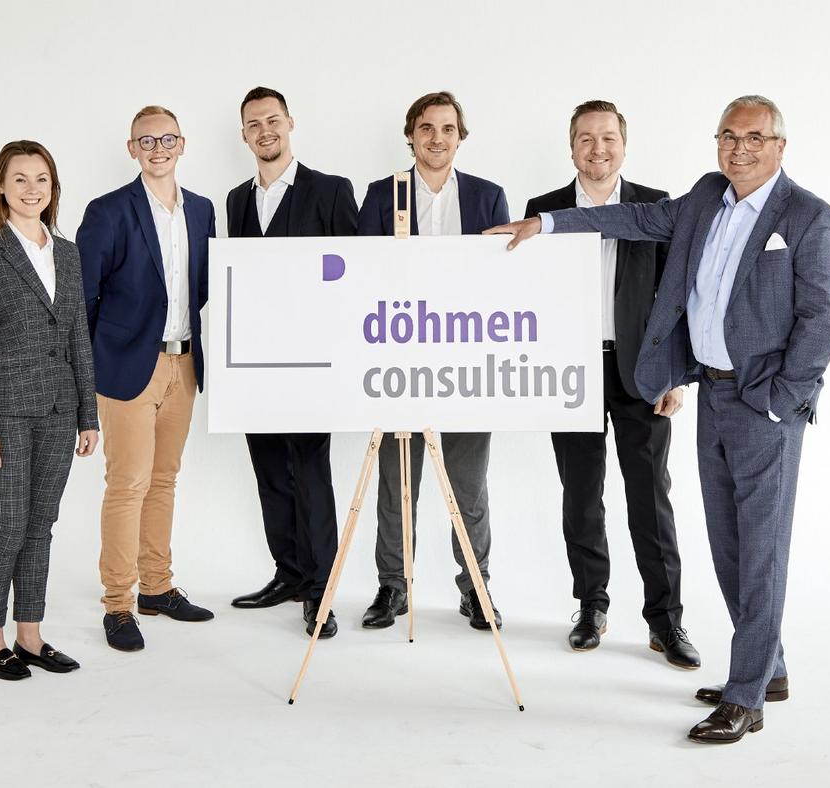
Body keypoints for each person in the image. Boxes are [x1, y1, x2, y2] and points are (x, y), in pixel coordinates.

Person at [487, 95, 830, 743]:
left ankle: (745, 697)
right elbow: (634, 216)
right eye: (728, 136)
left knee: (761, 550)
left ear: (779, 146)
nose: (739, 148)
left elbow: (822, 318)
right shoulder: (706, 197)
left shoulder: (807, 216)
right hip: (713, 395)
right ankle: (770, 670)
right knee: (729, 544)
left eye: (754, 138)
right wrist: (547, 223)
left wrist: (781, 399)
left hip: (763, 406)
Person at [524, 101, 699, 669]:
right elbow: (527, 298)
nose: (597, 149)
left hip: (641, 372)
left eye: (607, 138)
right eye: (585, 138)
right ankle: (591, 606)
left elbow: (676, 296)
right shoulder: (543, 210)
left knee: (650, 497)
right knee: (580, 496)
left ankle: (665, 620)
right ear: (571, 146)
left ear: (624, 143)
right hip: (567, 372)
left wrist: (676, 375)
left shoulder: (655, 205)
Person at [358, 91, 510, 631]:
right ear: (411, 136)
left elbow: (502, 281)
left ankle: (476, 587)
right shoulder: (384, 194)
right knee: (397, 481)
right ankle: (393, 586)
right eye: (426, 128)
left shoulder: (488, 196)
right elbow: (364, 274)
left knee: (469, 485)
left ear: (460, 137)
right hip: (399, 360)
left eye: (447, 129)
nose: (437, 138)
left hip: (467, 360)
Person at [0, 140, 99, 680]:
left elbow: (78, 338)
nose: (32, 188)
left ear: (53, 187)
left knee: (40, 527)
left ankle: (30, 635)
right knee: (8, 527)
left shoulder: (68, 253)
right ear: (1, 187)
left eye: (42, 179)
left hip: (60, 411)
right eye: (20, 179)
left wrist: (88, 415)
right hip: (4, 417)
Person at [77, 106, 216, 652]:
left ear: (182, 144)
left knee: (163, 480)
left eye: (167, 139)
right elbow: (82, 297)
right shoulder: (108, 211)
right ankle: (118, 604)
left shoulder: (202, 210)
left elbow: (204, 288)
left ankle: (156, 587)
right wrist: (97, 360)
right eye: (147, 140)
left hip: (184, 363)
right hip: (127, 367)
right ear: (132, 148)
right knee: (127, 484)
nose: (158, 148)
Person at [227, 86, 359, 639]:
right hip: (254, 362)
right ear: (244, 135)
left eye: (273, 120)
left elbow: (354, 272)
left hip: (312, 362)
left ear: (290, 123)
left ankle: (320, 591)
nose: (265, 131)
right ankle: (288, 572)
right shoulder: (236, 200)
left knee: (310, 475)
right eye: (254, 124)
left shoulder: (330, 190)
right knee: (269, 472)